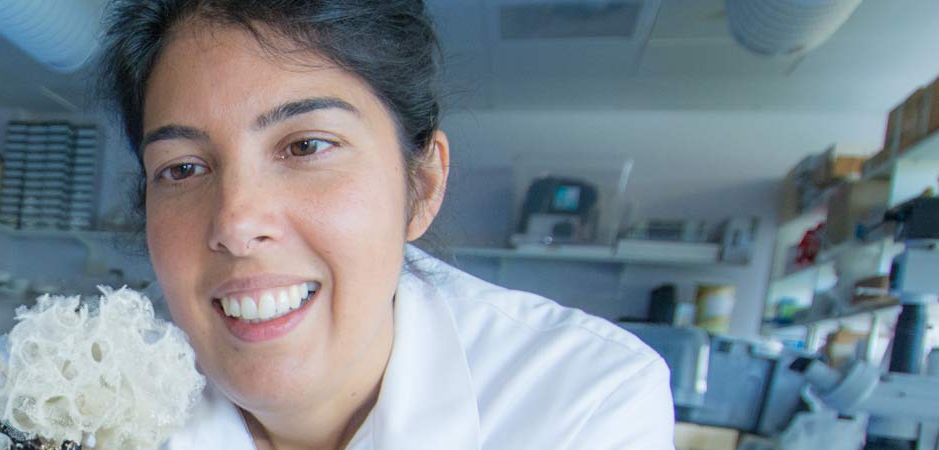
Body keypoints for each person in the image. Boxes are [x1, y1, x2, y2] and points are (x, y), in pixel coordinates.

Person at [98, 1, 675, 448]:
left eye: (307, 146)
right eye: (183, 168)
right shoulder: (97, 395)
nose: (237, 223)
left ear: (421, 186)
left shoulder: (584, 405)